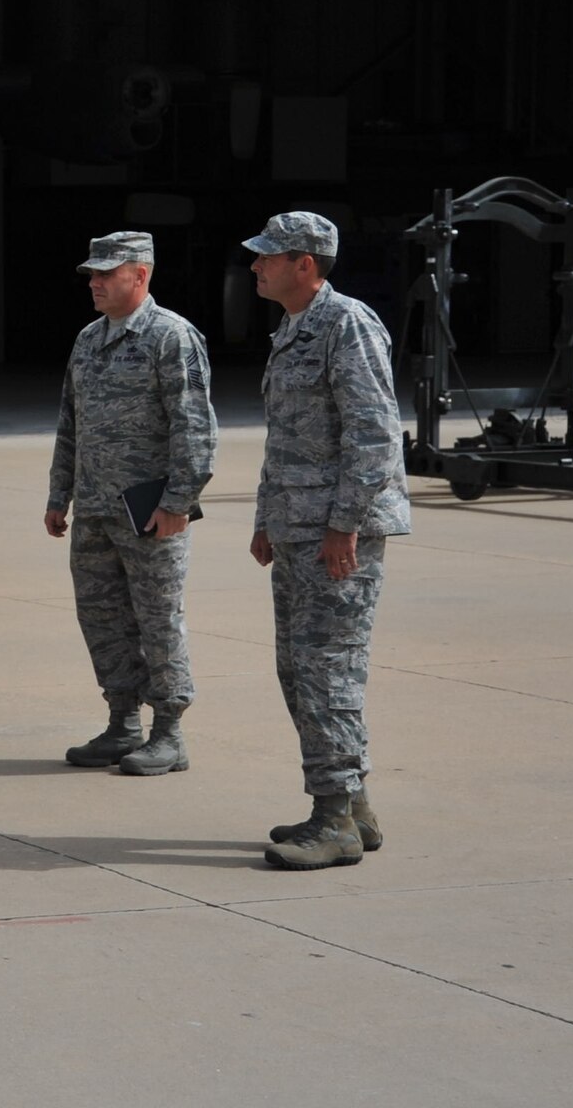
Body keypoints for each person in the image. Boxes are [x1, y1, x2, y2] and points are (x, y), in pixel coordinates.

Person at [245, 211, 410, 870]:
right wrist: (266, 518)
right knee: (302, 672)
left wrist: (343, 524)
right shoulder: (292, 330)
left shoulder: (348, 325)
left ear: (304, 264)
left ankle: (334, 819)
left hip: (336, 535)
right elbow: (285, 437)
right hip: (299, 530)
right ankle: (353, 807)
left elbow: (374, 433)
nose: (255, 266)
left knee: (325, 675)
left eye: (267, 257)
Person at [45, 231, 216, 775]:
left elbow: (195, 428)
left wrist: (179, 502)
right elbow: (70, 425)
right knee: (102, 617)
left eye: (105, 274)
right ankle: (123, 722)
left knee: (158, 619)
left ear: (139, 276)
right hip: (95, 508)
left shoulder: (172, 337)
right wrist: (59, 493)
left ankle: (169, 732)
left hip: (149, 510)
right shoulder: (88, 340)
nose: (93, 283)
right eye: (91, 274)